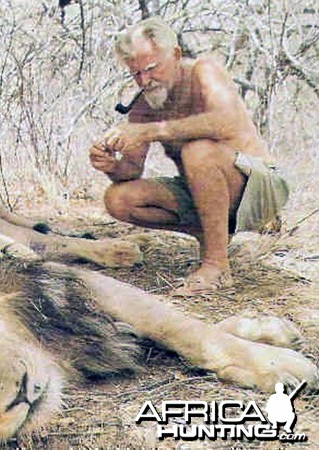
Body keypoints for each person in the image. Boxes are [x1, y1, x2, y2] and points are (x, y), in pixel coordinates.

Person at [89, 17, 289, 295]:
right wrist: (111, 165)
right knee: (118, 198)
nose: (145, 81)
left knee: (197, 151)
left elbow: (225, 122)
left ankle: (217, 266)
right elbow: (131, 170)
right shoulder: (143, 104)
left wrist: (150, 131)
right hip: (207, 192)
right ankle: (212, 235)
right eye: (136, 74)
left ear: (176, 55)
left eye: (151, 68)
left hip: (260, 186)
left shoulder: (203, 71)